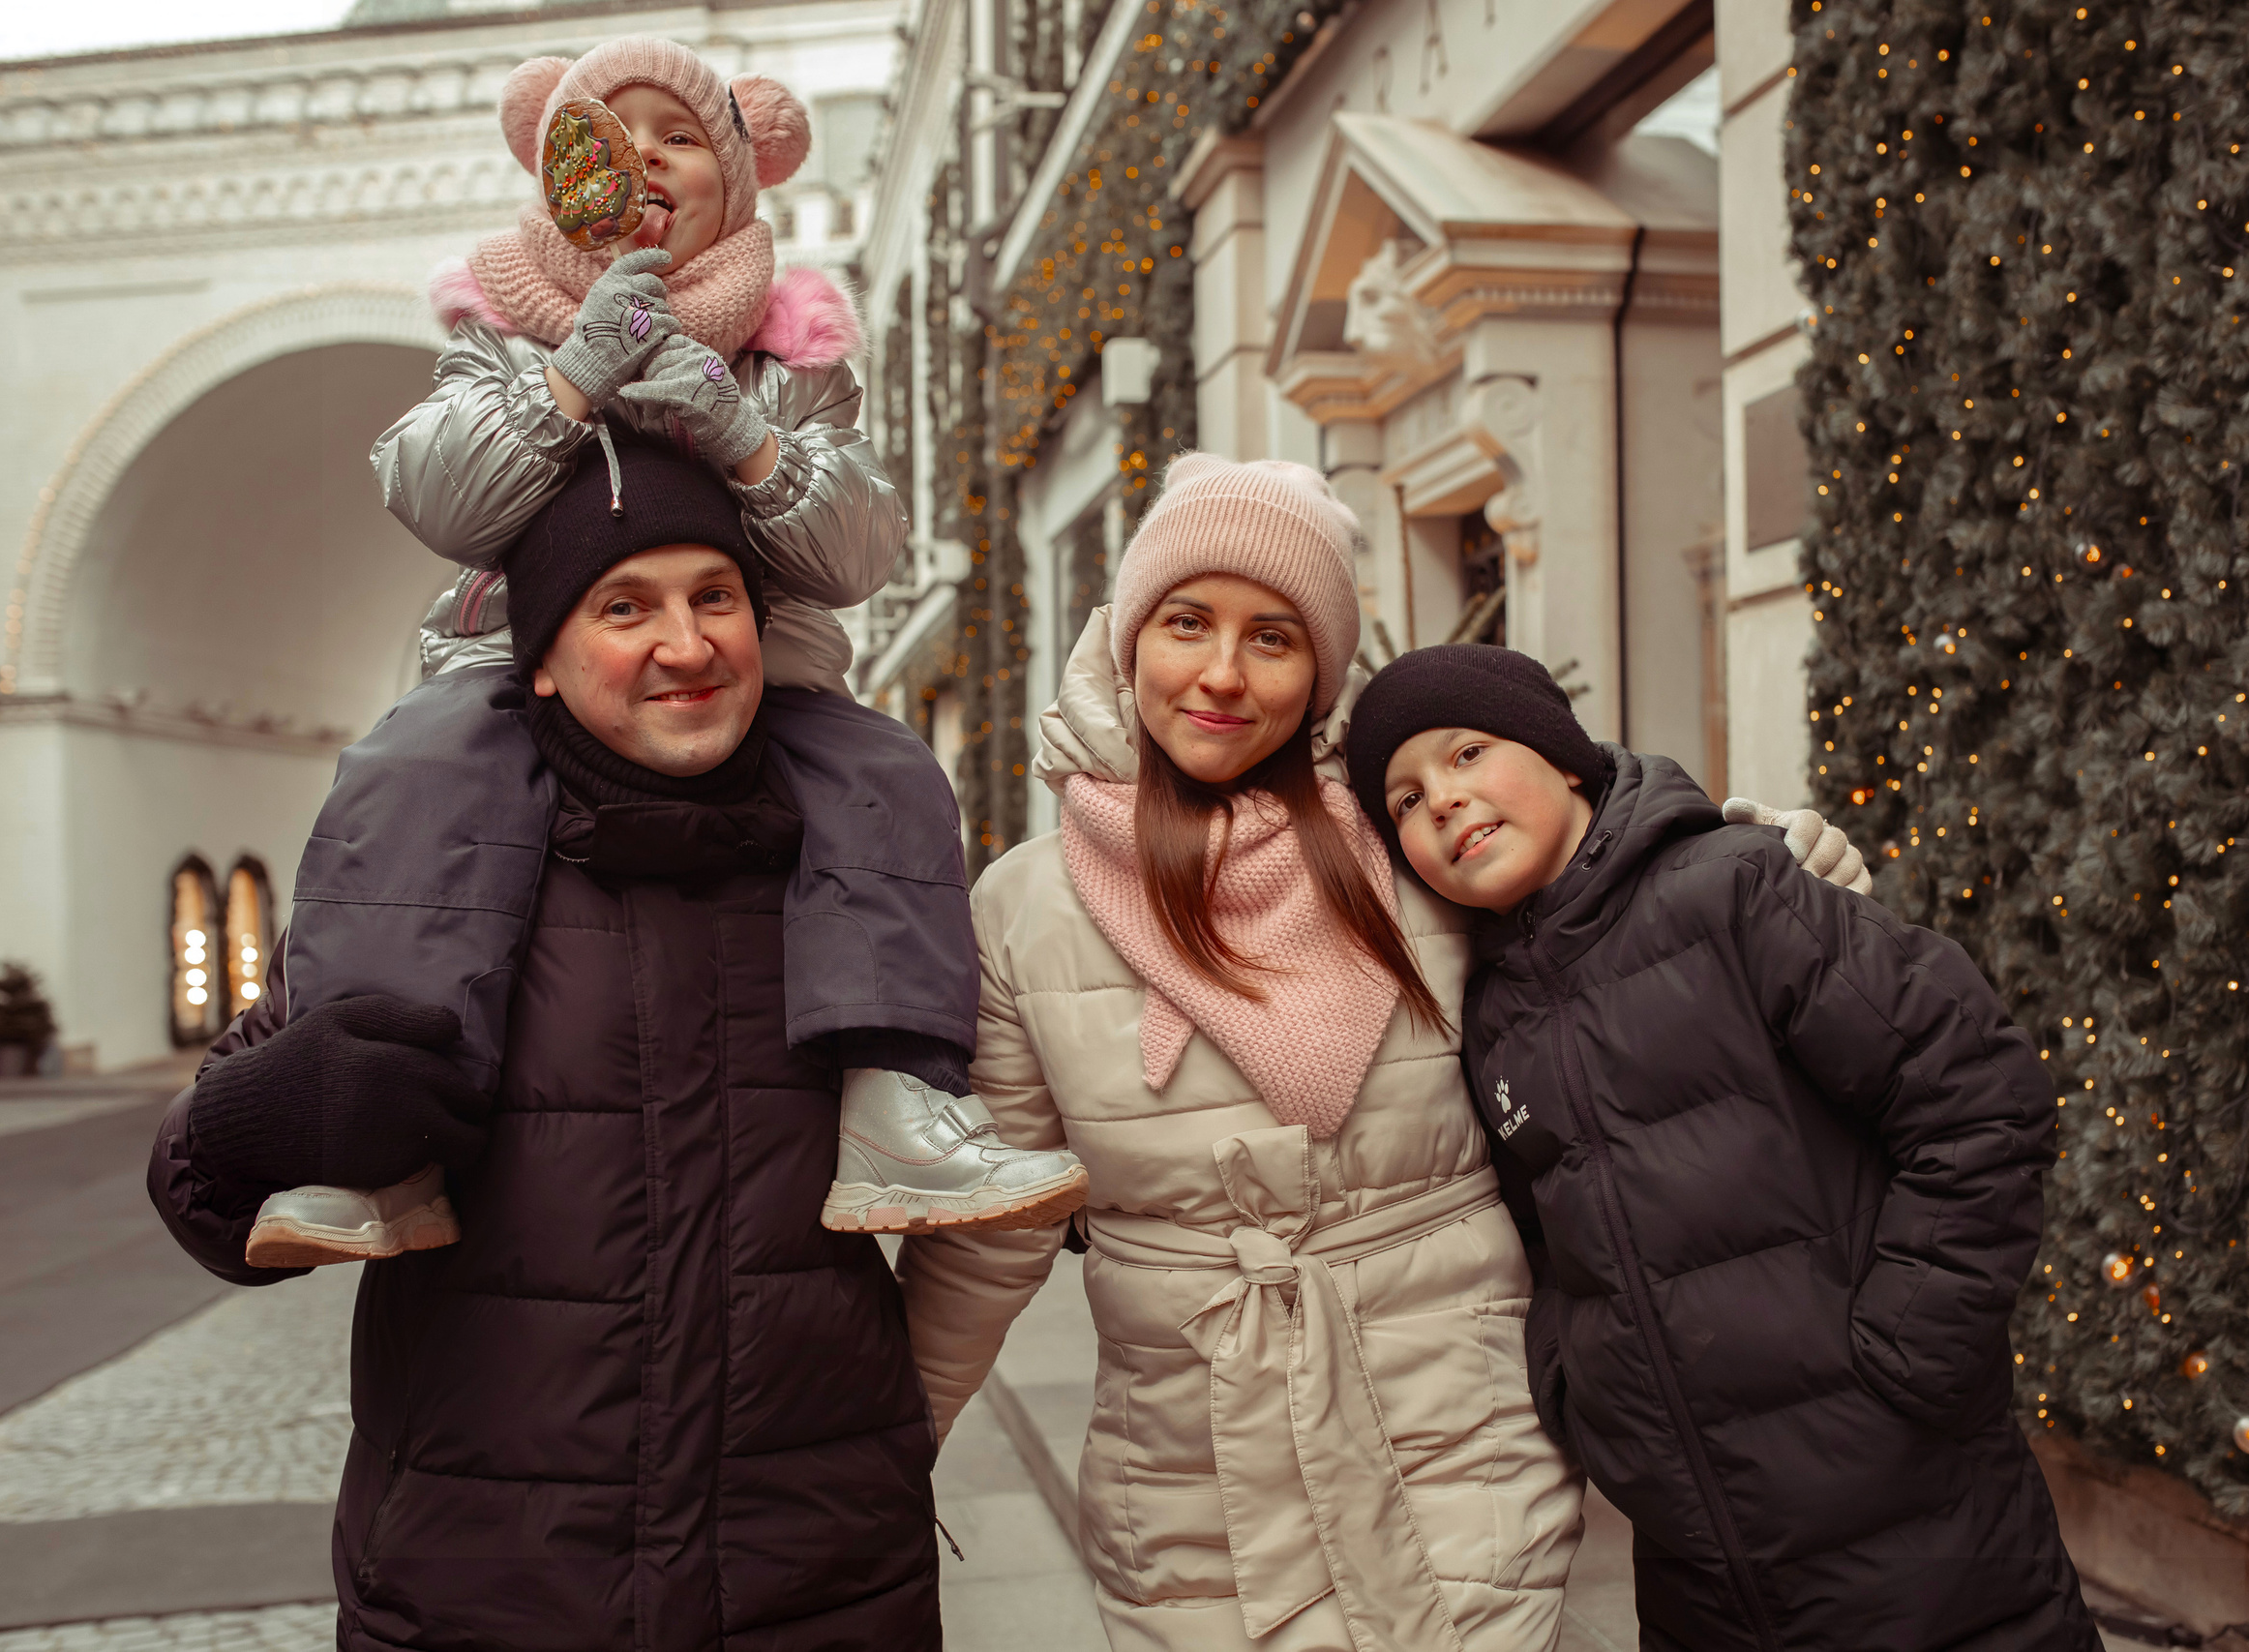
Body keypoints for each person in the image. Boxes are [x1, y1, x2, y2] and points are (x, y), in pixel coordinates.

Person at [890, 455, 1862, 1652]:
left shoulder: (1411, 845)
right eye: (1187, 623)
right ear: (1129, 637)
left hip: (1454, 1441)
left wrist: (1773, 864)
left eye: (1275, 639)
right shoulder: (1025, 906)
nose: (1222, 675)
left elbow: (1624, 897)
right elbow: (1000, 1225)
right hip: (1191, 1472)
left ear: (1319, 679)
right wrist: (887, 1458)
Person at [244, 37, 1079, 1263]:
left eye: (680, 136)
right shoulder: (497, 331)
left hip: (763, 671)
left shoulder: (789, 351)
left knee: (883, 773)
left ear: (739, 175)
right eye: (606, 133)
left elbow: (855, 554)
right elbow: (439, 500)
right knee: (411, 780)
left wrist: (745, 433)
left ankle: (897, 1093)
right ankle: (377, 1134)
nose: (642, 157)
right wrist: (570, 375)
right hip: (504, 662)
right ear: (554, 168)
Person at [148, 441, 995, 1650]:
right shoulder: (424, 888)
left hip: (818, 1588)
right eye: (623, 607)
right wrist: (257, 1122)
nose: (687, 644)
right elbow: (196, 1192)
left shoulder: (866, 895)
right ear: (540, 659)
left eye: (717, 597)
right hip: (486, 1589)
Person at [1344, 643, 2103, 1652]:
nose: (1438, 799)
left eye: (1468, 752)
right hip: (1694, 1564)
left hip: (1917, 1529)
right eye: (1400, 800)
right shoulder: (1490, 1015)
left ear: (1564, 758)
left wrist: (1911, 1355)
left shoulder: (1736, 892)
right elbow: (1541, 1244)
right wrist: (1586, 1397)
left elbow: (1978, 1095)